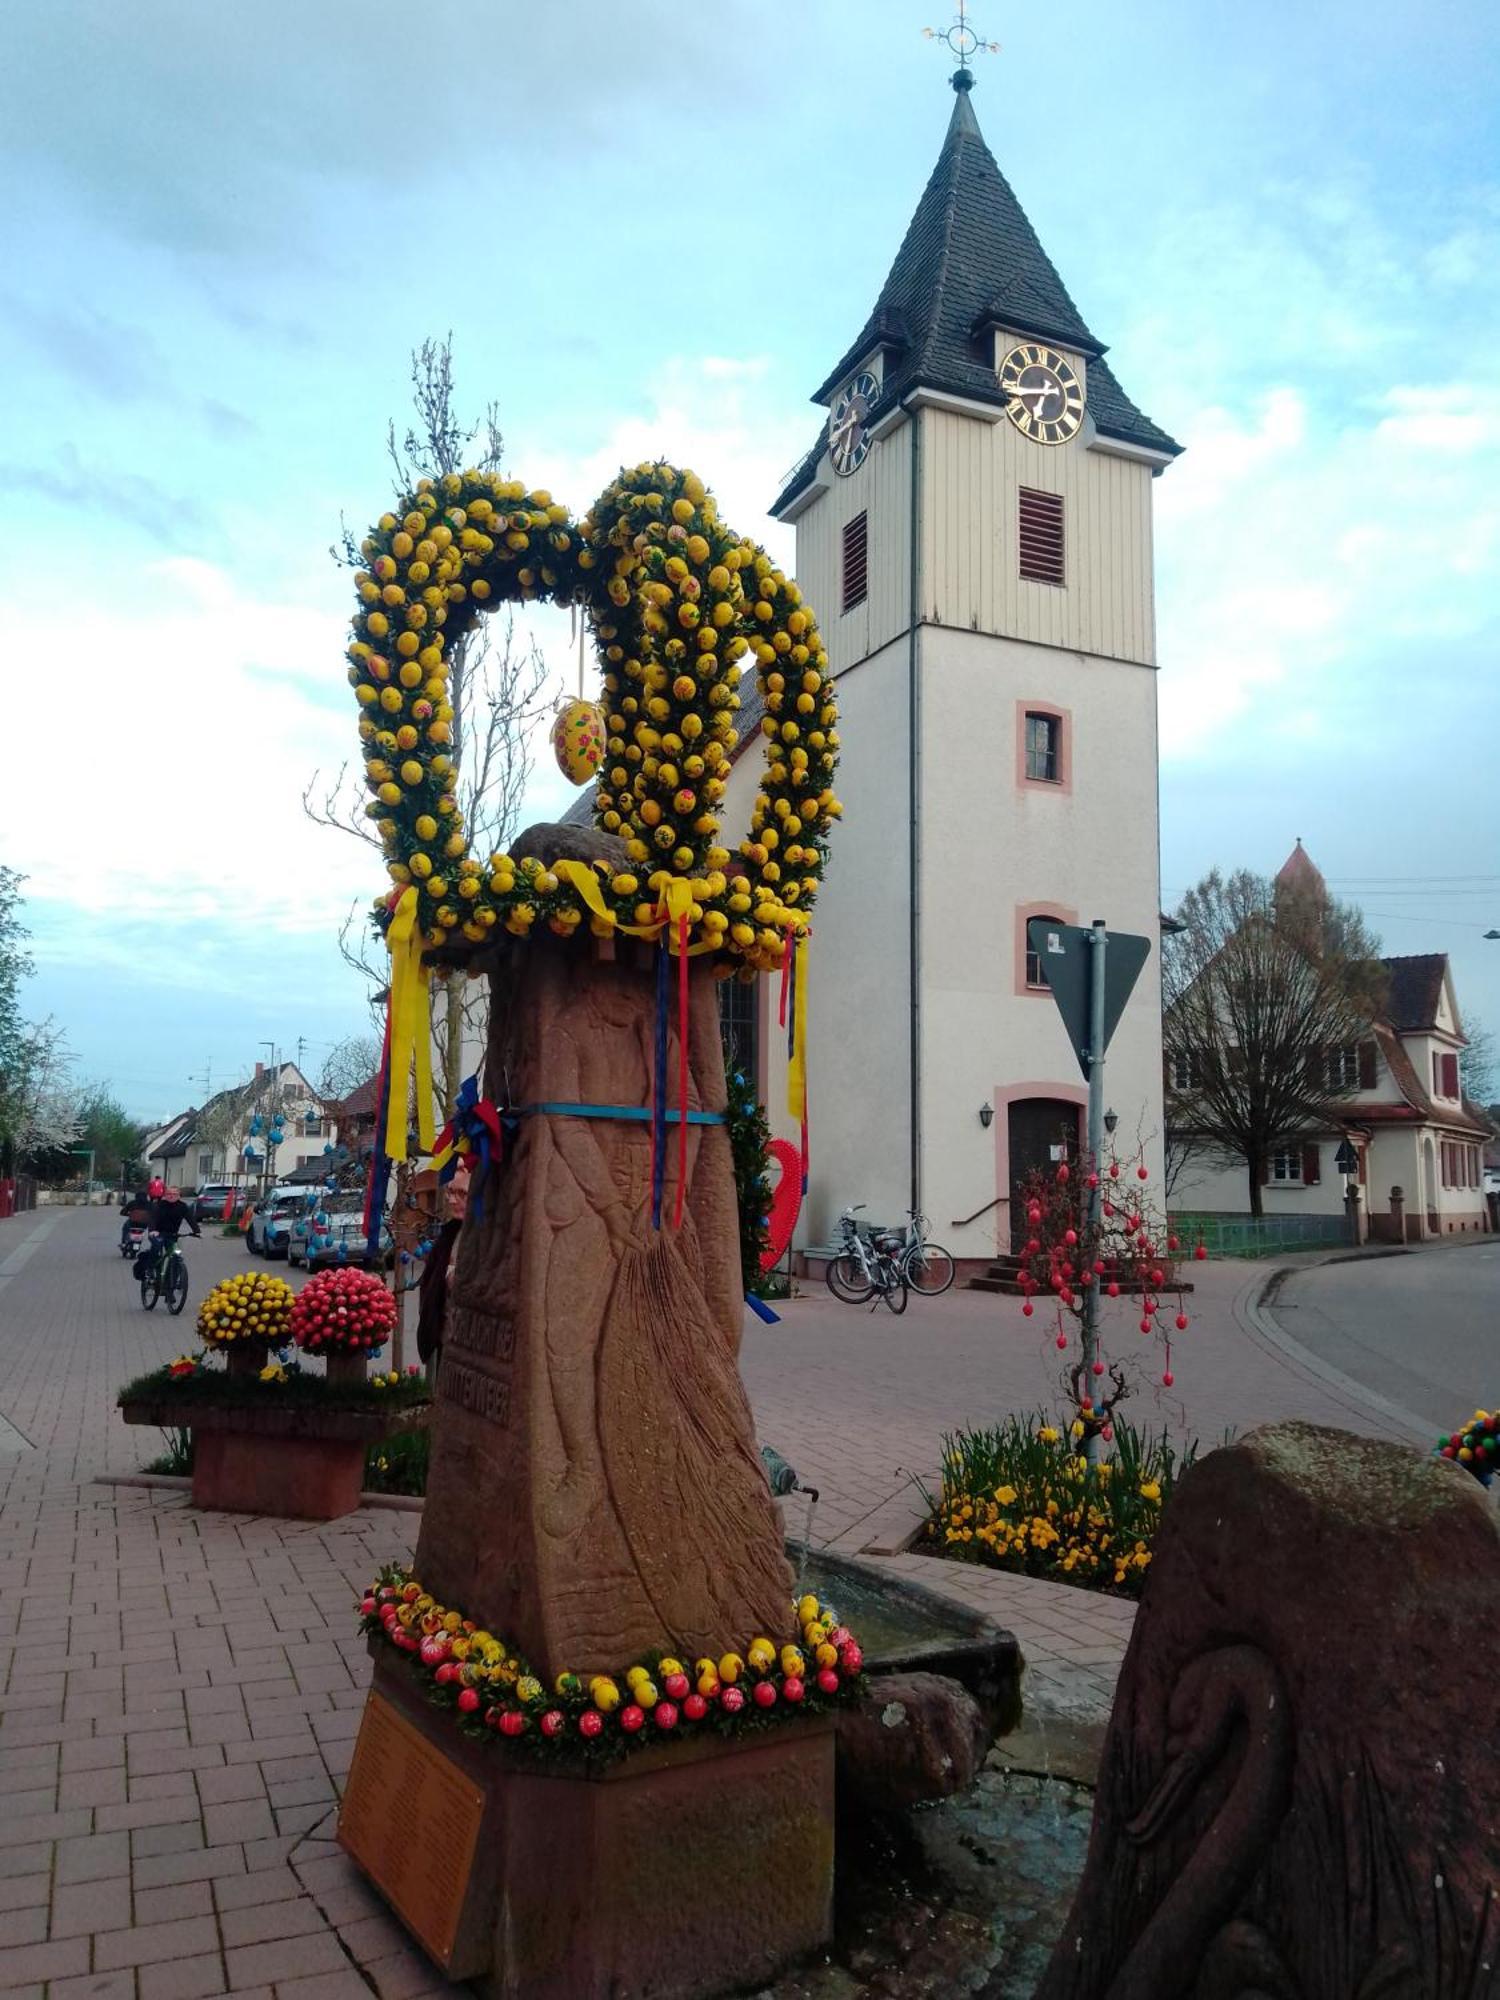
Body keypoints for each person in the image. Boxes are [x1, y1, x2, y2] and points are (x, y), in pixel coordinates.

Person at [416, 1166, 469, 1365]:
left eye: (462, 1193)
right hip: (447, 1345)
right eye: (451, 1192)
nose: (453, 1200)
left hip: (471, 1346)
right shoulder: (448, 1236)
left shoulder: (490, 1237)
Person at [119, 1185, 152, 1253]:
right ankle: (138, 1243)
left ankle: (124, 1242)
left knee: (125, 1228)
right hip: (144, 1225)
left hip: (132, 1223)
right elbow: (154, 1213)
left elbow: (122, 1212)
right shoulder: (149, 1204)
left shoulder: (132, 1203)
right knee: (142, 1232)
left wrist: (129, 1214)